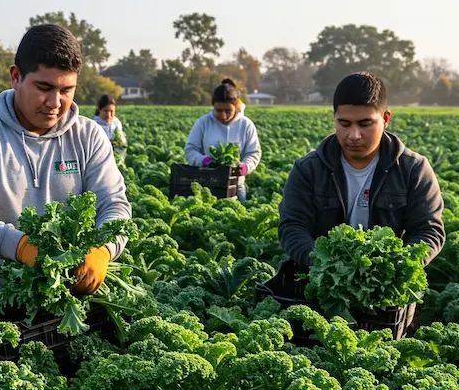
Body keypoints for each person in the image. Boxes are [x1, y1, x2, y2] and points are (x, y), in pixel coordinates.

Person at [0, 24, 131, 303]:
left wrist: (103, 249)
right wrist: (20, 247)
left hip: (64, 295)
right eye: (44, 87)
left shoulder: (89, 137)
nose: (55, 102)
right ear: (16, 77)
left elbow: (114, 204)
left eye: (67, 90)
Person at [278, 72, 445, 268]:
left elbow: (429, 231)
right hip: (321, 288)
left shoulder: (414, 169)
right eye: (344, 124)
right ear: (334, 118)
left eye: (365, 124)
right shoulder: (308, 169)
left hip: (388, 290)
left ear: (385, 119)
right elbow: (292, 227)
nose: (354, 135)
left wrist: (394, 267)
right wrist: (324, 265)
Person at [183, 78, 261, 202]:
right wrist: (204, 161)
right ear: (213, 106)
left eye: (228, 110)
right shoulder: (203, 123)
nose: (223, 115)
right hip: (207, 184)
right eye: (219, 110)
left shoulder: (246, 125)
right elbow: (190, 150)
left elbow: (253, 153)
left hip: (236, 185)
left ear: (236, 107)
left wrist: (245, 167)